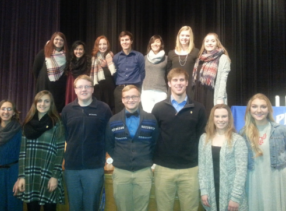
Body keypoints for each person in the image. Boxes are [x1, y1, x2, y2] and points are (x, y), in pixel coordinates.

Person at [152, 67, 207, 211]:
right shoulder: (158, 108)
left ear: (187, 83)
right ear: (169, 83)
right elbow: (154, 137)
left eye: (181, 80)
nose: (178, 83)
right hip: (163, 169)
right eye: (175, 80)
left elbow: (201, 137)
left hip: (190, 169)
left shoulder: (199, 109)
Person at [61, 74, 112, 211]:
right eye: (80, 87)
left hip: (94, 168)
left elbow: (109, 135)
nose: (84, 90)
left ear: (92, 89)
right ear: (75, 90)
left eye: (87, 86)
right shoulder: (67, 110)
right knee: (74, 206)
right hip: (71, 168)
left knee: (91, 207)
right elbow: (64, 136)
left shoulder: (104, 109)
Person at [106, 85, 159, 211]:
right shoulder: (113, 120)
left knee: (142, 207)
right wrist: (120, 158)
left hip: (144, 172)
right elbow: (109, 144)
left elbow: (155, 143)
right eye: (127, 97)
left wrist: (146, 159)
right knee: (122, 207)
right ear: (122, 100)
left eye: (134, 96)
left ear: (139, 98)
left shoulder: (151, 119)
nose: (130, 100)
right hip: (121, 172)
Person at [15, 90, 65, 211]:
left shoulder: (57, 123)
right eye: (40, 101)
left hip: (48, 173)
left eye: (46, 101)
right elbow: (22, 152)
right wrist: (21, 176)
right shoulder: (27, 123)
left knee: (49, 207)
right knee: (32, 207)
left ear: (51, 104)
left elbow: (60, 151)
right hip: (30, 174)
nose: (42, 104)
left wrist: (55, 176)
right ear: (35, 103)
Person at [241, 93, 286, 210]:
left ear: (269, 109)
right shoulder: (243, 133)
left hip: (276, 179)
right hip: (254, 180)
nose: (259, 110)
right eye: (255, 106)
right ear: (249, 109)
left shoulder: (281, 130)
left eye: (263, 106)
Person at [198, 104, 248, 211]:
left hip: (231, 194)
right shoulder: (204, 139)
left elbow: (241, 171)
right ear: (212, 118)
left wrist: (235, 197)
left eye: (224, 116)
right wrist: (204, 191)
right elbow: (202, 167)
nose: (220, 120)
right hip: (211, 193)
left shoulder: (238, 140)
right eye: (217, 116)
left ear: (229, 118)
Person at [0, 100, 22, 211]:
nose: (6, 111)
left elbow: (24, 156)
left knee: (13, 206)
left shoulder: (20, 131)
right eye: (3, 108)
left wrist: (21, 178)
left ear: (14, 113)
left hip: (13, 174)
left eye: (9, 109)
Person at [192, 33, 231, 116]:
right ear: (204, 43)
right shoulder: (200, 58)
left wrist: (220, 98)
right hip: (199, 94)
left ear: (217, 43)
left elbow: (223, 80)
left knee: (211, 121)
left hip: (212, 95)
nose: (209, 43)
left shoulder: (223, 58)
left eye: (212, 41)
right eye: (207, 41)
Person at [33, 32, 69, 113]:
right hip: (44, 85)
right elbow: (36, 69)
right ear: (52, 40)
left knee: (56, 111)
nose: (58, 41)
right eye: (56, 39)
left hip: (59, 88)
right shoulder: (44, 52)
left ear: (64, 42)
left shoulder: (66, 56)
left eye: (61, 40)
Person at [113, 31, 145, 113]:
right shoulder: (116, 57)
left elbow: (142, 72)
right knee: (119, 113)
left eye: (127, 40)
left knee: (136, 113)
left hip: (135, 87)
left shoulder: (139, 56)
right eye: (122, 40)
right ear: (120, 42)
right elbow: (115, 74)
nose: (124, 42)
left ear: (131, 41)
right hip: (120, 89)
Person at [167, 26, 199, 99]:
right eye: (182, 35)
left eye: (187, 36)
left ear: (190, 38)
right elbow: (168, 73)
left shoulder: (196, 52)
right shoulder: (171, 53)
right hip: (174, 88)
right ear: (178, 37)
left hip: (189, 88)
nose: (184, 38)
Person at [141, 35, 168, 113]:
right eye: (153, 42)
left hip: (161, 91)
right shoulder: (145, 58)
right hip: (147, 91)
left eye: (157, 42)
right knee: (148, 116)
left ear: (161, 44)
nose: (155, 44)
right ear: (150, 45)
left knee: (161, 115)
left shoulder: (166, 58)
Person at [90, 35, 116, 111]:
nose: (102, 46)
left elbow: (114, 73)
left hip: (110, 89)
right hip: (98, 89)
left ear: (107, 45)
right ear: (97, 46)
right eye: (100, 44)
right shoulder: (93, 58)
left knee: (110, 110)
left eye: (104, 44)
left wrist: (105, 66)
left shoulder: (112, 57)